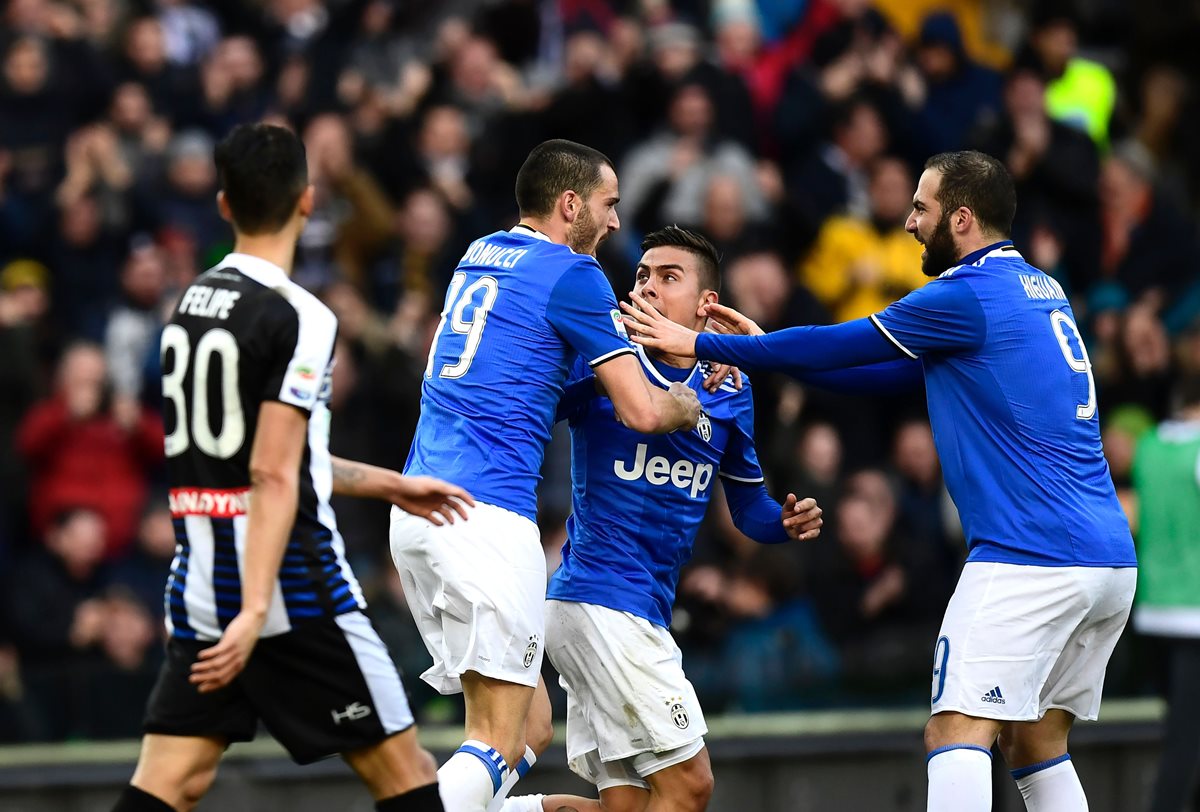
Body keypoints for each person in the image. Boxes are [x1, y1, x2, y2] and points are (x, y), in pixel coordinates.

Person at [621, 150, 1137, 812]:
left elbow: (843, 344)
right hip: (1106, 560)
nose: (908, 223)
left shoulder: (965, 293)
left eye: (920, 209)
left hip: (1029, 557)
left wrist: (709, 345)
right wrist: (766, 351)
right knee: (1036, 744)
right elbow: (887, 373)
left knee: (954, 731)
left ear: (963, 218)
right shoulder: (1040, 289)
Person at [112, 123, 472, 812]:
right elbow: (273, 474)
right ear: (308, 202)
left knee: (169, 783)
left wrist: (393, 483)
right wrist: (254, 611)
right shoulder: (300, 315)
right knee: (408, 776)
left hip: (201, 590)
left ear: (224, 205)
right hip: (289, 589)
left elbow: (272, 457)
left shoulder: (188, 305)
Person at [390, 140, 703, 812]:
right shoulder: (573, 274)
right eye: (608, 205)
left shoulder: (477, 255)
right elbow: (644, 410)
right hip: (485, 515)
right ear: (570, 206)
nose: (617, 221)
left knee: (529, 731)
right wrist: (692, 401)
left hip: (419, 510)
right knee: (498, 740)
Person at [502, 226, 824, 812]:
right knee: (691, 785)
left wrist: (784, 522)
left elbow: (747, 506)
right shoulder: (604, 367)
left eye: (668, 277)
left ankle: (486, 808)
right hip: (602, 600)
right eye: (642, 275)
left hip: (628, 609)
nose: (648, 286)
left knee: (628, 805)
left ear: (706, 305)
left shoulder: (730, 387)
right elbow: (531, 408)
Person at [1132, 376, 1200, 812]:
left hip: (1152, 611)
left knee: (1182, 730)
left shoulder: (1148, 447)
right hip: (1194, 614)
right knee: (1186, 740)